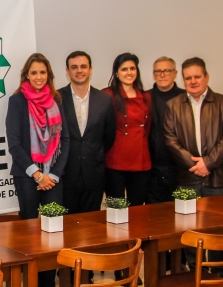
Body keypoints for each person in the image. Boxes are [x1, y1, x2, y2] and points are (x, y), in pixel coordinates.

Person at [164, 57, 223, 275]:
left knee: (219, 233)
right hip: (187, 178)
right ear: (182, 79)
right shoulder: (173, 106)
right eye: (188, 78)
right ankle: (193, 274)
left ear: (206, 77)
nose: (193, 81)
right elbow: (170, 140)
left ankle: (218, 275)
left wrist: (208, 163)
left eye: (197, 76)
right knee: (189, 232)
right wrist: (194, 164)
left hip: (219, 180)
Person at [6, 53, 69, 287]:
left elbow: (67, 139)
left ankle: (48, 282)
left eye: (43, 72)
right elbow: (14, 144)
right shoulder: (17, 101)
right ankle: (31, 281)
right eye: (34, 72)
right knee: (31, 233)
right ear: (26, 75)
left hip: (53, 176)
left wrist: (52, 175)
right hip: (26, 175)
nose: (39, 77)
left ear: (49, 75)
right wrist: (37, 174)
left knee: (54, 233)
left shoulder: (57, 101)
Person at [58, 51, 116, 214]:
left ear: (90, 69)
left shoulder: (104, 99)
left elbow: (108, 136)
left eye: (83, 66)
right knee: (66, 229)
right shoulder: (57, 98)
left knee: (92, 227)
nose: (79, 70)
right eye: (74, 67)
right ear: (67, 71)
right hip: (66, 174)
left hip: (94, 174)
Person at [103, 53, 152, 207]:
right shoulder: (107, 95)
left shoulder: (146, 97)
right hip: (115, 161)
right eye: (124, 69)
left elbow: (148, 128)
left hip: (141, 160)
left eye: (132, 68)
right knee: (115, 209)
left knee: (137, 208)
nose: (129, 72)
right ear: (116, 73)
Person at [147, 57, 186, 204]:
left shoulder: (185, 97)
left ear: (175, 73)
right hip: (152, 169)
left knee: (181, 215)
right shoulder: (145, 98)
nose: (162, 75)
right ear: (153, 74)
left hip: (180, 168)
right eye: (158, 71)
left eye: (167, 71)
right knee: (154, 215)